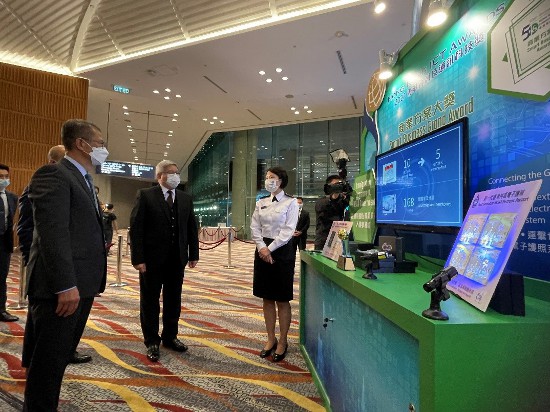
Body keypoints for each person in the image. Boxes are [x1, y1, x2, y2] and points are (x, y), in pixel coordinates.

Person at [22, 119, 108, 411]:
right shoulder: (54, 174)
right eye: (99, 143)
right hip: (61, 289)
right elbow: (53, 235)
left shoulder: (83, 179)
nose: (103, 149)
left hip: (81, 285)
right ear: (82, 144)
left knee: (57, 358)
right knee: (47, 364)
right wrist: (65, 284)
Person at [17, 145, 93, 365]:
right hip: (48, 269)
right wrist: (29, 260)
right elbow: (27, 228)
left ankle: (65, 352)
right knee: (43, 341)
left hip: (69, 266)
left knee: (54, 338)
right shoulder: (48, 177)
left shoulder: (82, 182)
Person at [130, 160, 199, 362]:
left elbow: (191, 228)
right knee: (150, 300)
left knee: (173, 299)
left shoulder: (186, 198)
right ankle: (151, 340)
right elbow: (136, 229)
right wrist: (138, 258)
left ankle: (170, 336)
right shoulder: (145, 195)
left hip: (177, 259)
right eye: (171, 173)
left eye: (177, 173)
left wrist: (193, 253)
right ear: (160, 176)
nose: (175, 176)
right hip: (151, 260)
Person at [250, 166, 298, 362]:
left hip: (282, 250)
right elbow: (255, 227)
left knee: (281, 298)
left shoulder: (291, 202)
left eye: (272, 177)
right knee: (266, 297)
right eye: (267, 177)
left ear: (281, 180)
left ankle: (283, 341)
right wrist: (262, 248)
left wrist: (270, 249)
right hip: (262, 250)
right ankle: (271, 339)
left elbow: (288, 230)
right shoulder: (261, 202)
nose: (268, 180)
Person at [0, 164, 19, 322]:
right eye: (1, 177)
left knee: (1, 277)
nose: (4, 180)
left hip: (4, 244)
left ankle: (1, 310)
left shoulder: (12, 197)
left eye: (6, 177)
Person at [314, 174, 350, 250]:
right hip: (323, 241)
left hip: (338, 240)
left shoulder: (343, 201)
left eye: (340, 184)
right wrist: (334, 196)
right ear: (329, 186)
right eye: (336, 185)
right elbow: (327, 211)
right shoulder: (322, 202)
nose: (338, 187)